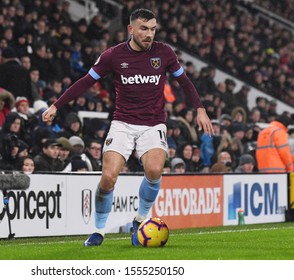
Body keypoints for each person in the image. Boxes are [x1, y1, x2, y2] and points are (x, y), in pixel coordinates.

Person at [42, 8, 213, 246]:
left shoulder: (164, 53)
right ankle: (99, 230)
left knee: (154, 171)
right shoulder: (112, 56)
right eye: (144, 28)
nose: (149, 34)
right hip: (122, 123)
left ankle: (140, 219)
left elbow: (184, 81)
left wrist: (200, 108)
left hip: (153, 124)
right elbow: (85, 82)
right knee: (108, 177)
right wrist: (56, 105)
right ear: (131, 29)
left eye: (153, 29)